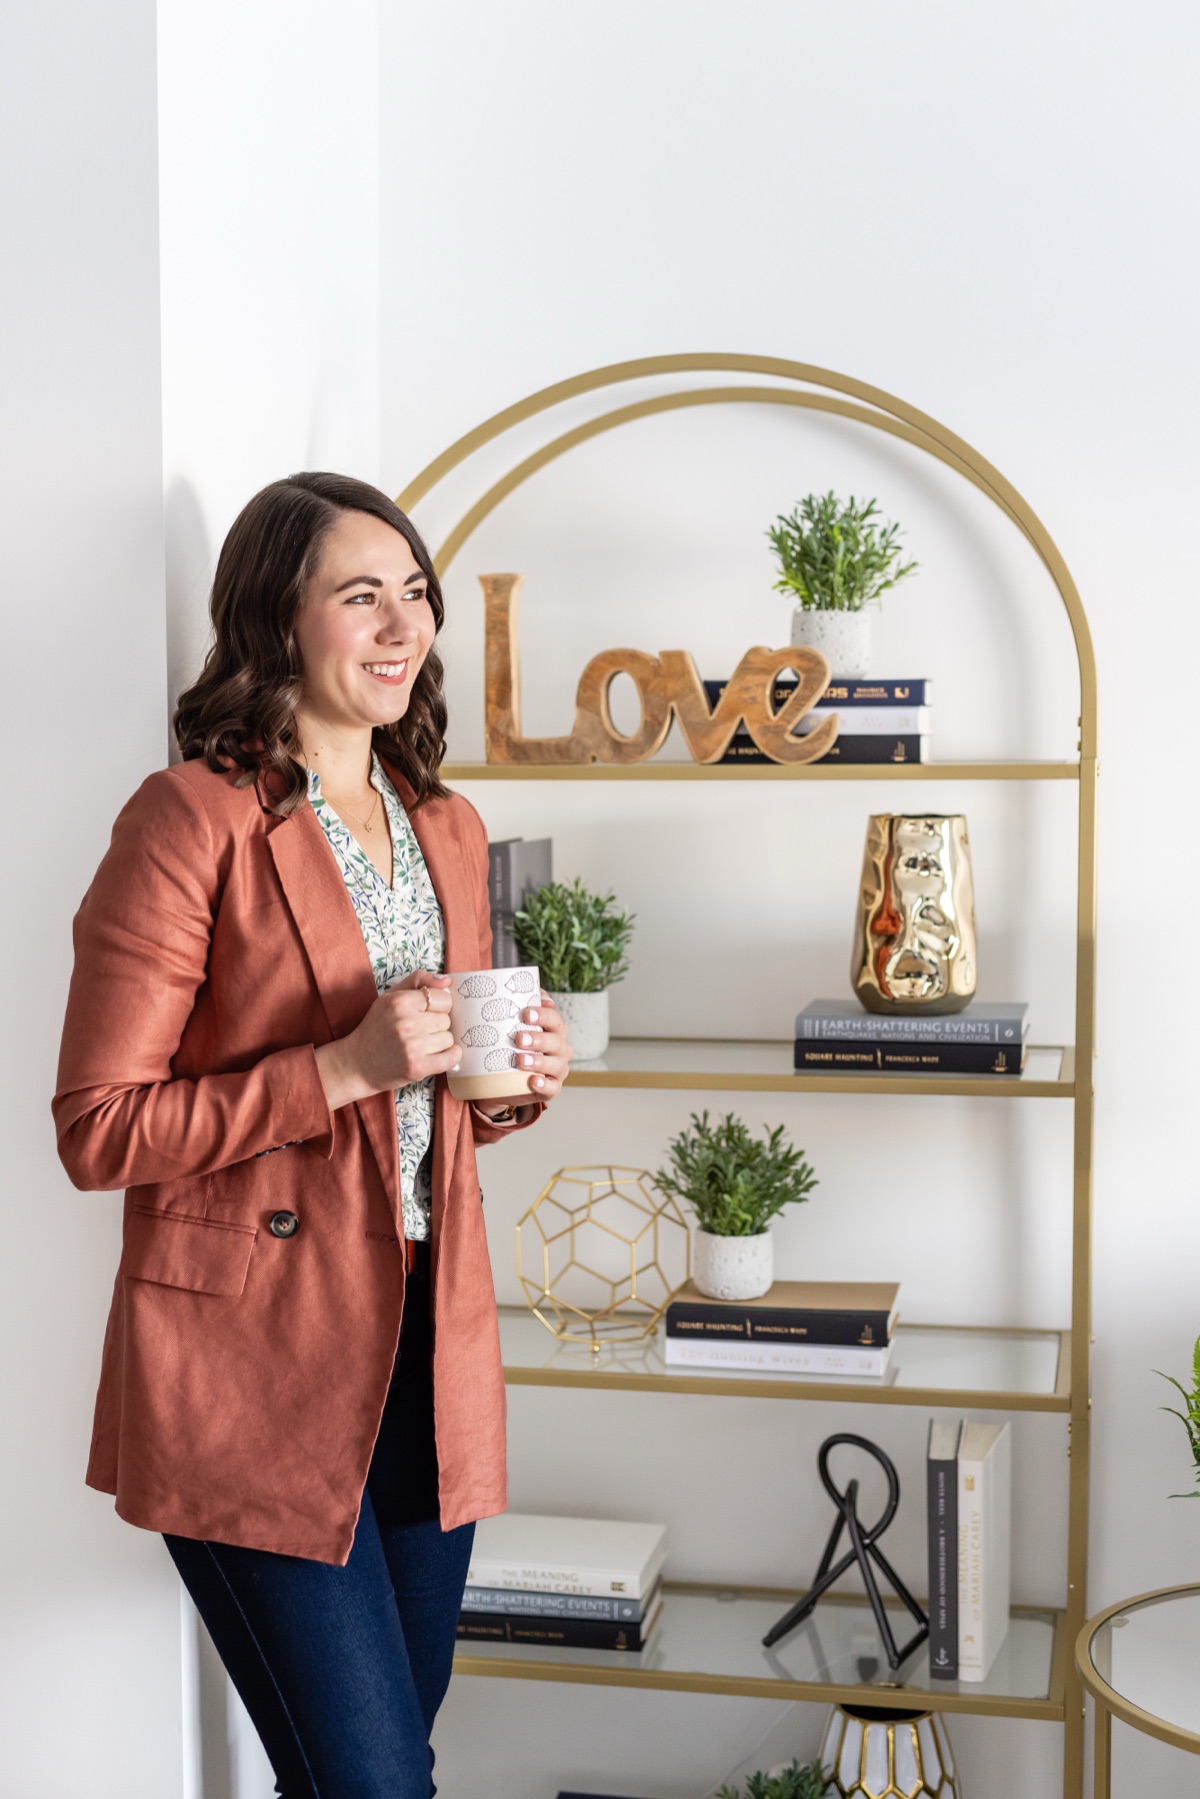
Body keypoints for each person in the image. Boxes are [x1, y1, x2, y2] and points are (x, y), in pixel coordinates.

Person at [52, 472, 572, 1799]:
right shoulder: (190, 819)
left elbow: (430, 1094)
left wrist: (507, 1086)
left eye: (416, 596)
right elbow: (101, 1128)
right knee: (376, 1786)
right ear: (275, 617)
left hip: (426, 1353)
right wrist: (339, 1066)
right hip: (253, 1369)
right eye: (362, 597)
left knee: (385, 1770)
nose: (403, 629)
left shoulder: (444, 822)